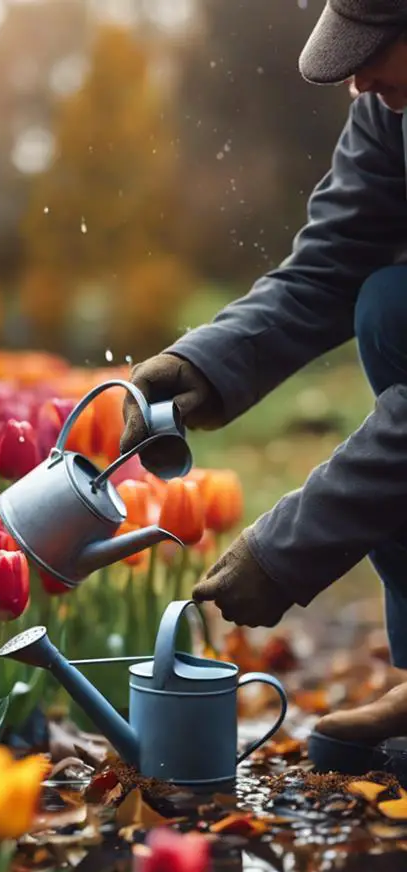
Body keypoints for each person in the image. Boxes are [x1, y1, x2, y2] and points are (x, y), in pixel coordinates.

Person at [120, 0, 407, 754]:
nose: (357, 81)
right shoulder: (394, 108)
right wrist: (201, 365)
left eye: (375, 48)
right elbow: (329, 264)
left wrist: (283, 552)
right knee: (388, 304)